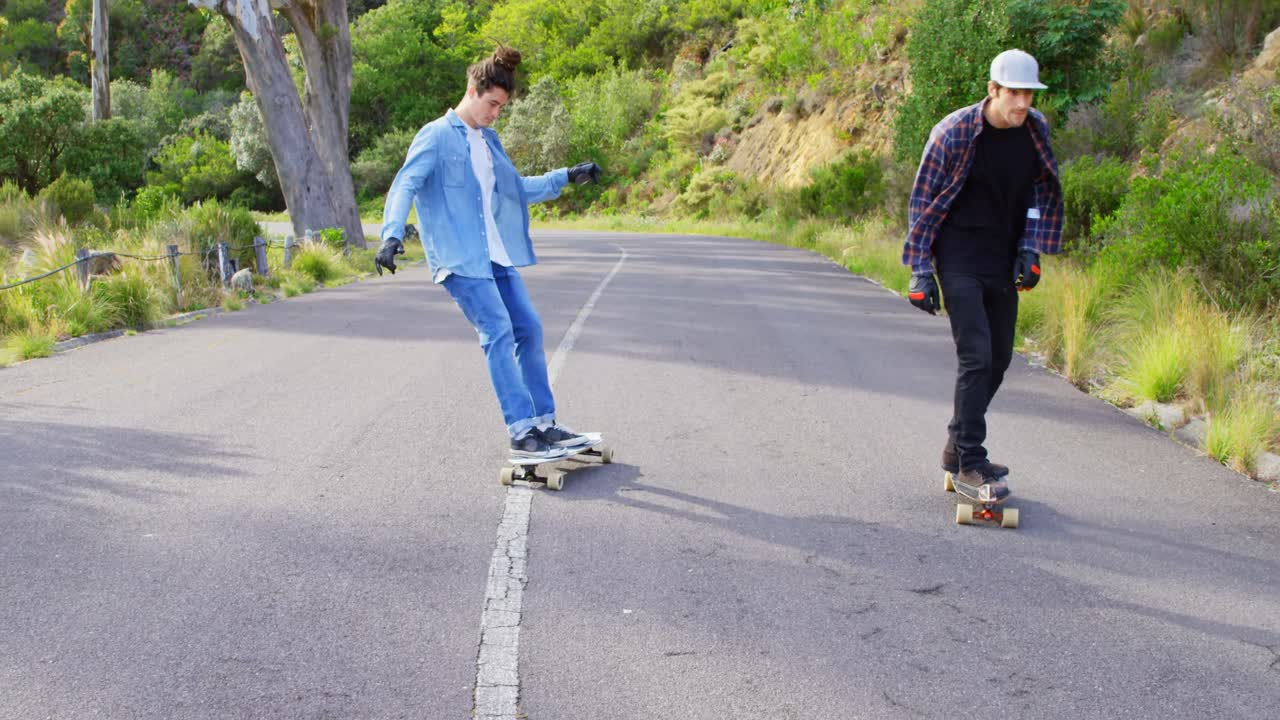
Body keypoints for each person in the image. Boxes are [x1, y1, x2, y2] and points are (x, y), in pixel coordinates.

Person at [375, 45, 603, 461]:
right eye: (493, 104)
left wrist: (566, 176)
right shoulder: (436, 136)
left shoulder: (490, 142)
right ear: (472, 90)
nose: (496, 113)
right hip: (458, 259)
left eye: (502, 106)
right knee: (498, 329)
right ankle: (520, 432)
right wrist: (391, 234)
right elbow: (403, 185)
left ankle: (544, 425)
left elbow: (517, 189)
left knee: (529, 328)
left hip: (494, 257)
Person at [902, 49, 1064, 500]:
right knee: (975, 355)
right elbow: (921, 203)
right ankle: (971, 460)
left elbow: (1037, 190)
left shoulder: (1034, 131)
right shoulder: (953, 132)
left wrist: (1030, 250)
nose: (1022, 104)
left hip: (1000, 256)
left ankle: (956, 448)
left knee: (999, 359)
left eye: (1028, 94)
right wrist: (920, 272)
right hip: (956, 256)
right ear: (992, 90)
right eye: (1014, 93)